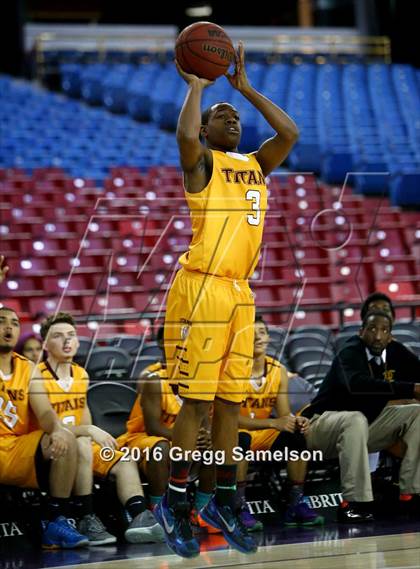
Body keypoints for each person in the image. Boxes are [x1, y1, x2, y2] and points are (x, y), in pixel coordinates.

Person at [156, 42, 299, 558]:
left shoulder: (256, 164)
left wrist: (244, 89)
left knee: (229, 405)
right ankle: (173, 501)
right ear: (209, 130)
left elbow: (290, 134)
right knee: (195, 401)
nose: (232, 118)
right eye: (223, 115)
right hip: (201, 287)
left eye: (235, 115)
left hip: (241, 293)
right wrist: (199, 89)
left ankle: (216, 497)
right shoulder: (203, 165)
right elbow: (183, 135)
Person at [37, 312, 163, 544]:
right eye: (58, 336)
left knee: (123, 459)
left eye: (71, 336)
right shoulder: (36, 377)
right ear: (45, 344)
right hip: (50, 447)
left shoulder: (81, 374)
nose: (67, 341)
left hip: (81, 442)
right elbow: (45, 428)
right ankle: (86, 517)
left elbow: (84, 420)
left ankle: (141, 518)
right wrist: (89, 431)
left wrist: (89, 431)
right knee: (82, 441)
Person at [302, 310, 420, 522]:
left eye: (384, 330)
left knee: (416, 412)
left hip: (363, 428)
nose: (378, 336)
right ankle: (353, 502)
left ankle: (411, 493)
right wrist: (410, 389)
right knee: (355, 419)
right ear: (361, 332)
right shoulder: (349, 352)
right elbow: (357, 385)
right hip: (321, 425)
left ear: (391, 336)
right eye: (372, 329)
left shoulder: (394, 351)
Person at [0, 305, 89, 549]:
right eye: (2, 321)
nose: (9, 327)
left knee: (66, 438)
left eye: (15, 323)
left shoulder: (28, 369)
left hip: (18, 446)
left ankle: (56, 522)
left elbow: (45, 411)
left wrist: (57, 429)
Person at [237, 316, 324, 530]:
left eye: (262, 332)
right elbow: (228, 418)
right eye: (252, 333)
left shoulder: (279, 370)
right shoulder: (232, 371)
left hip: (264, 433)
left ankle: (295, 501)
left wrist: (296, 421)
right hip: (235, 431)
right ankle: (237, 506)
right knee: (239, 439)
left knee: (295, 432)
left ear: (268, 338)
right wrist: (275, 423)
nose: (258, 337)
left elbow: (284, 415)